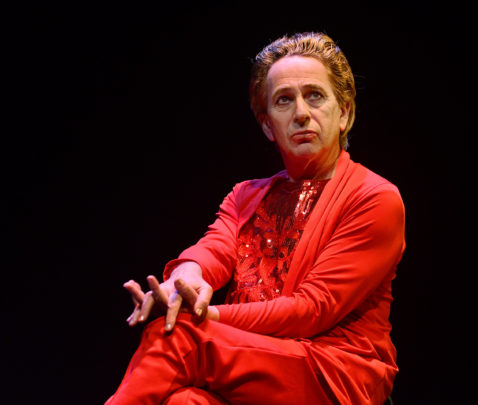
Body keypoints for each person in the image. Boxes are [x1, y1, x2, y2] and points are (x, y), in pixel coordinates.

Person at [106, 32, 405, 405]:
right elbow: (212, 250)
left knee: (180, 336)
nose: (301, 112)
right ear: (267, 126)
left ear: (344, 113)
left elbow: (312, 310)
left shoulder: (374, 197)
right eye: (284, 100)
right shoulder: (245, 195)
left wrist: (204, 315)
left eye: (314, 95)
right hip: (253, 360)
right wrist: (184, 281)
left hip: (330, 371)